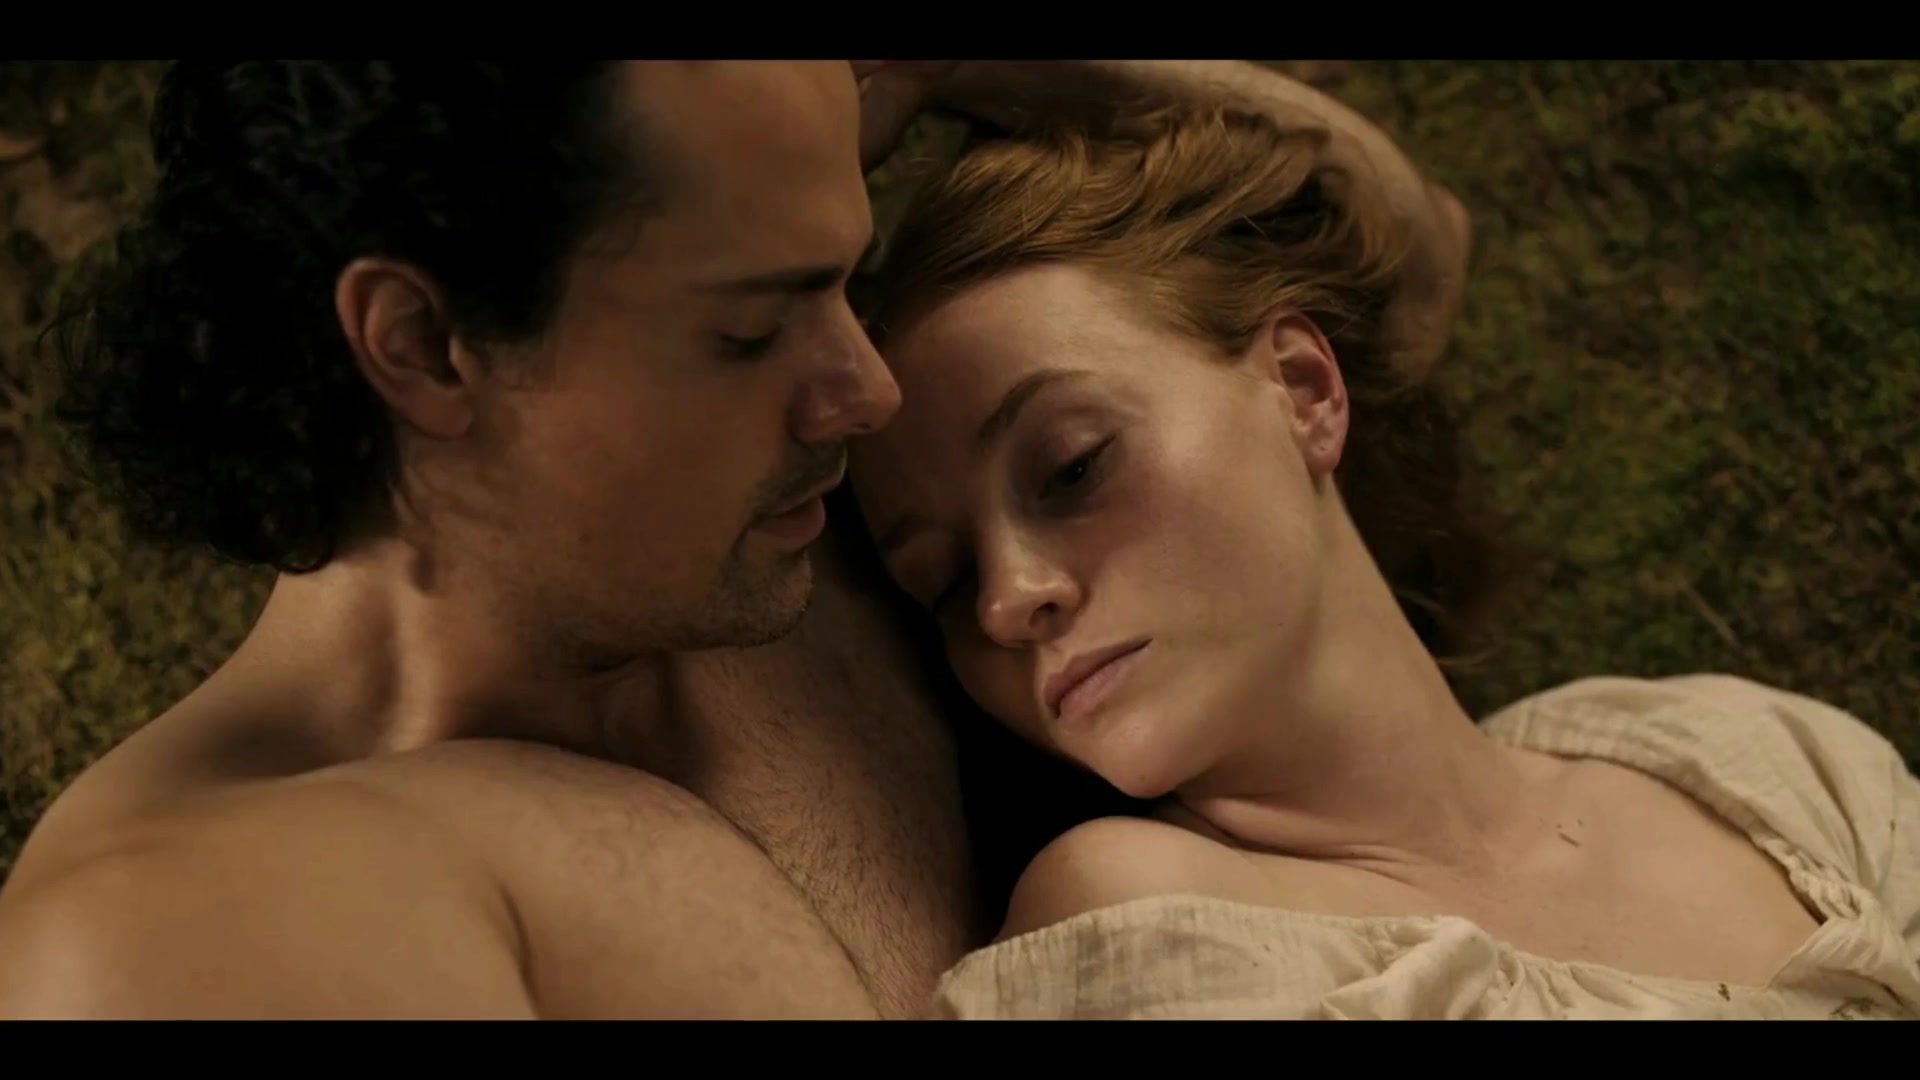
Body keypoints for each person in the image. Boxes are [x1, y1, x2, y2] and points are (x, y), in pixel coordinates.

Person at [845, 68, 1920, 1018]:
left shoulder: (1749, 751)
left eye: (1074, 466)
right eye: (944, 580)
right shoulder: (1137, 917)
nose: (1005, 600)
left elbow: (1397, 215)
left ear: (1303, 388)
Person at [0, 59, 980, 1020]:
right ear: (422, 346)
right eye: (751, 333)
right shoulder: (178, 926)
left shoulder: (890, 517)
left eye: (851, 283)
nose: (872, 392)